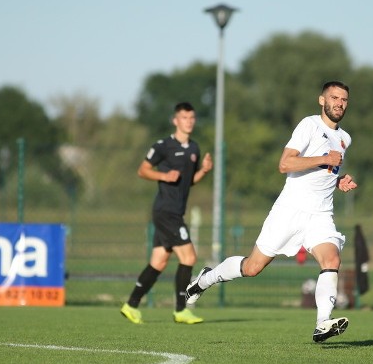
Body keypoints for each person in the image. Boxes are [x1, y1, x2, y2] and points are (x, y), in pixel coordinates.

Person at [185, 81, 358, 343]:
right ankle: (204, 280)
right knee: (253, 267)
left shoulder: (345, 138)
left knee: (331, 260)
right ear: (322, 100)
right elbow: (285, 164)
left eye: (344, 100)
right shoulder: (309, 125)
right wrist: (325, 159)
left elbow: (322, 173)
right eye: (334, 98)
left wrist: (338, 179)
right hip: (290, 210)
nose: (339, 103)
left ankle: (323, 322)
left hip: (321, 214)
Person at [120, 102, 212, 325]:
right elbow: (142, 170)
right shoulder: (163, 146)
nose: (188, 121)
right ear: (175, 120)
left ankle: (130, 305)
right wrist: (163, 176)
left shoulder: (194, 149)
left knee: (159, 262)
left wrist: (203, 171)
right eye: (184, 117)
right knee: (189, 257)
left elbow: (187, 182)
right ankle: (181, 309)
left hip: (174, 212)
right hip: (166, 211)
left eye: (191, 118)